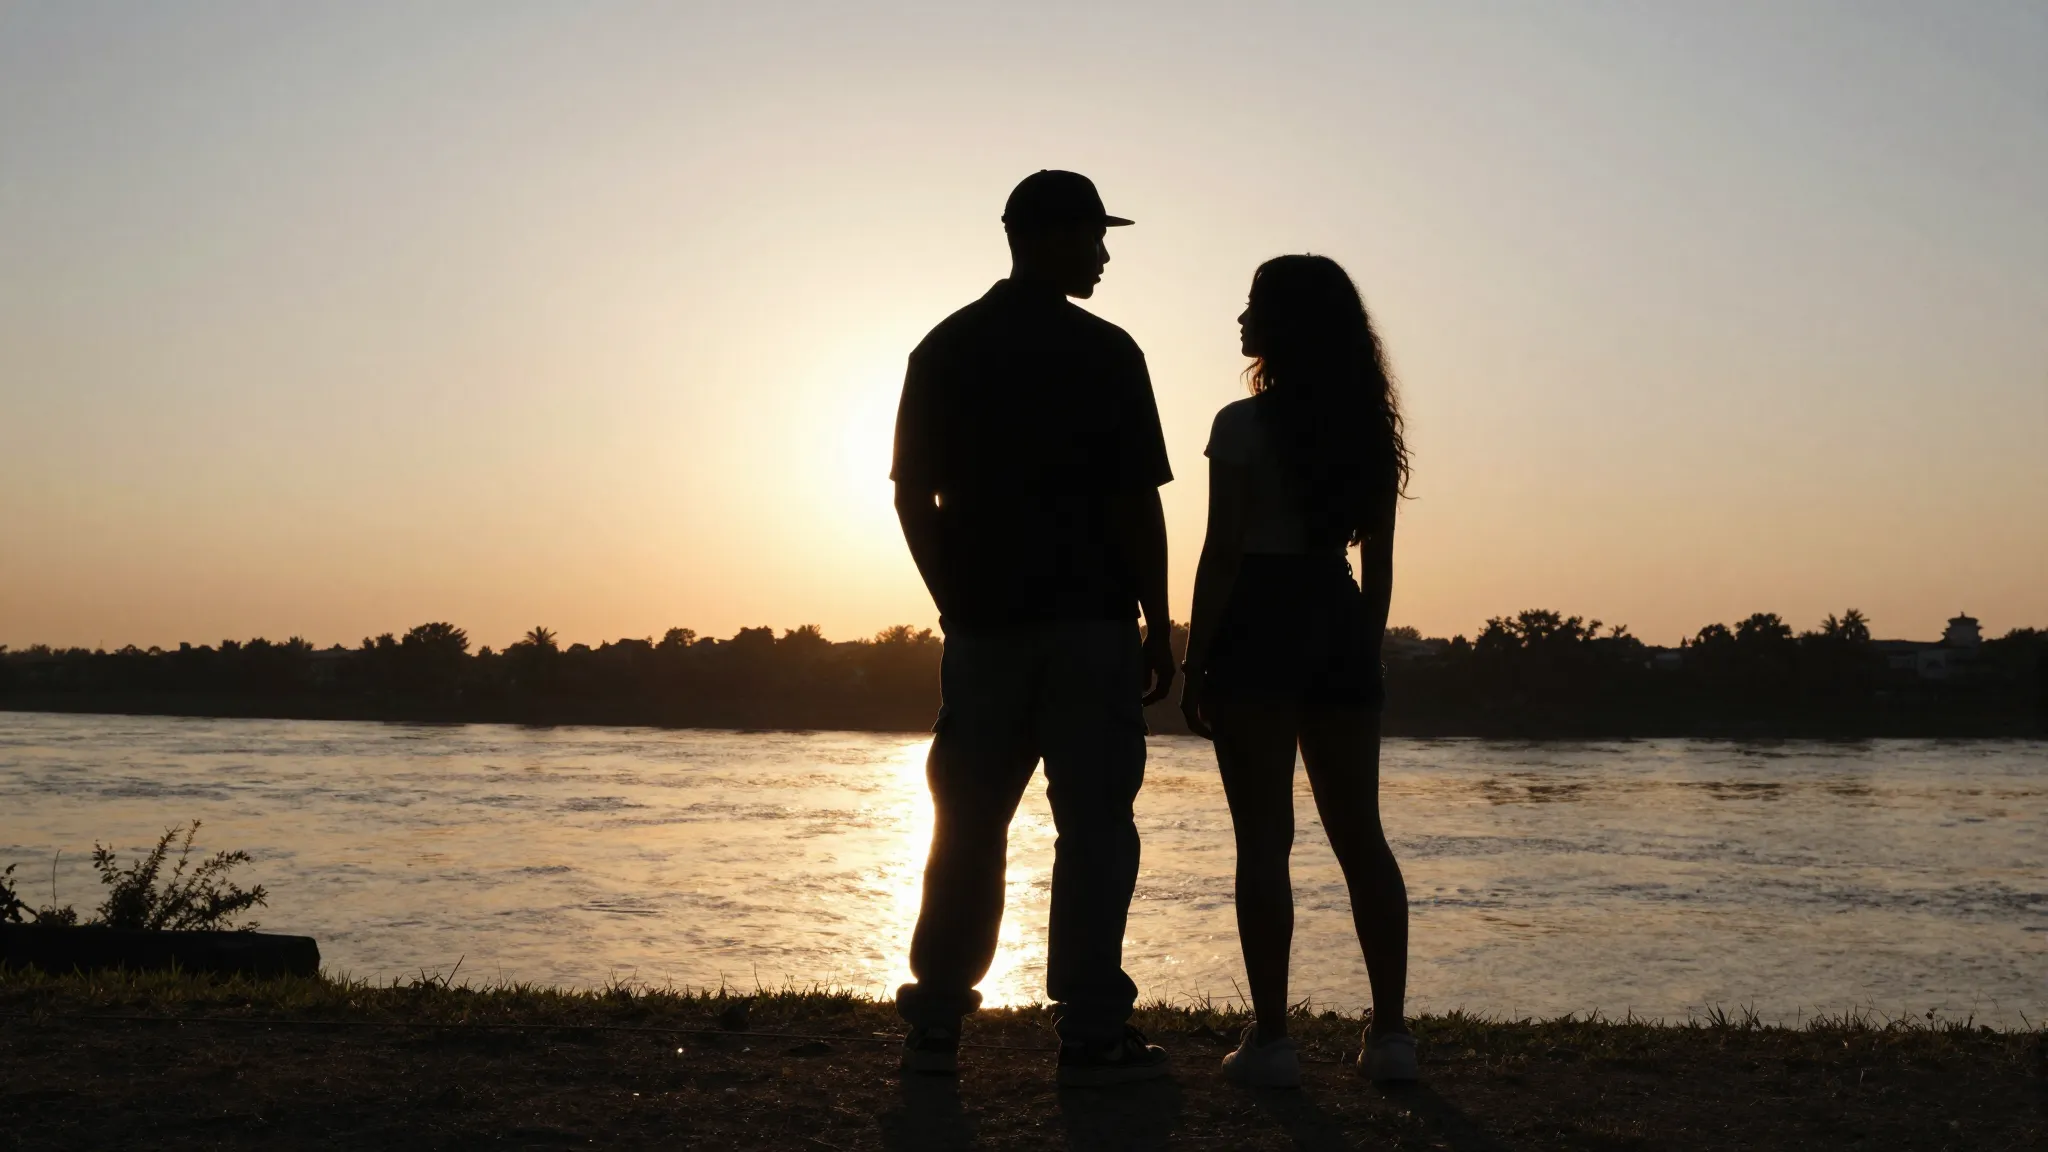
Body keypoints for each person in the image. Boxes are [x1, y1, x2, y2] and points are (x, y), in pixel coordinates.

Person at [890, 170, 1178, 1087]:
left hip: (987, 632)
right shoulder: (1108, 352)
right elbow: (1138, 502)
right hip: (1091, 625)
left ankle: (937, 1025)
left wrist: (954, 601)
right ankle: (1091, 1033)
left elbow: (912, 497)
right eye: (1093, 236)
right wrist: (1158, 621)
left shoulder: (946, 347)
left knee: (968, 825)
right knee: (1096, 831)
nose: (1104, 255)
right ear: (1044, 238)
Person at [1177, 255, 1417, 1087]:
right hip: (1335, 614)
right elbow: (1378, 564)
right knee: (1362, 838)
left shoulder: (1240, 426)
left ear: (1285, 324)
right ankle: (1391, 1036)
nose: (1241, 319)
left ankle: (1274, 1040)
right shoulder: (1366, 430)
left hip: (1258, 623)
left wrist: (1195, 661)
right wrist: (1364, 647)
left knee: (1262, 842)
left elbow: (1222, 553)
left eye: (1254, 306)